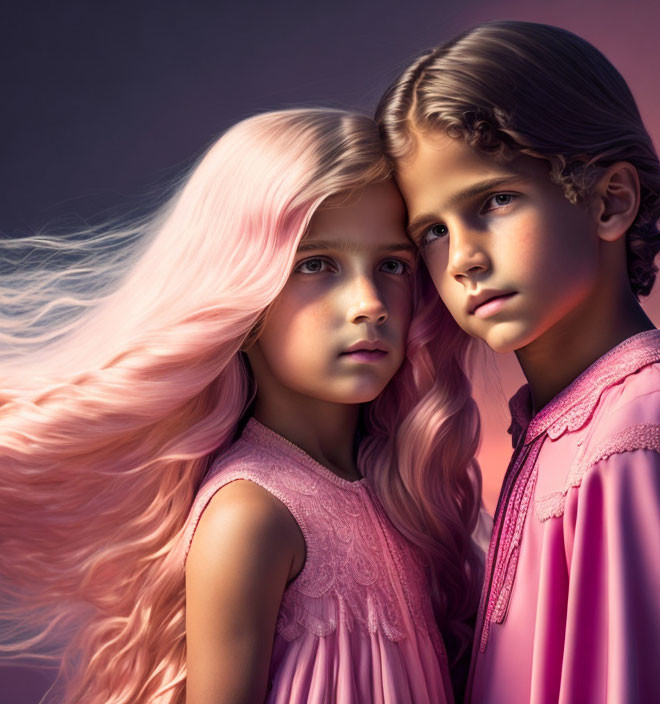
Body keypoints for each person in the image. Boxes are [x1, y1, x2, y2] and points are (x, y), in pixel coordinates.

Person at [376, 20, 660, 703]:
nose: (462, 258)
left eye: (495, 200)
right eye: (433, 230)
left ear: (611, 200)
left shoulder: (640, 433)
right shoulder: (571, 428)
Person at [0, 108, 484, 703]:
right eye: (316, 265)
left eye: (392, 265)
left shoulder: (398, 492)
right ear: (246, 297)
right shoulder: (251, 515)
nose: (370, 303)